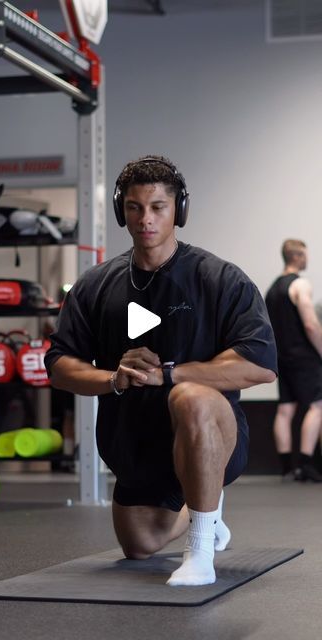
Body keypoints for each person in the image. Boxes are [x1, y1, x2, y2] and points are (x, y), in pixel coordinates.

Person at [45, 155, 277, 586]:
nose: (144, 219)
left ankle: (201, 549)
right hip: (136, 442)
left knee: (190, 396)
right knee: (139, 546)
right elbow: (59, 366)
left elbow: (260, 365)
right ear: (121, 211)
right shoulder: (96, 285)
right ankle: (208, 507)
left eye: (157, 207)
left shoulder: (220, 279)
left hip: (210, 432)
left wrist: (170, 374)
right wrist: (112, 377)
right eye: (134, 207)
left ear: (179, 211)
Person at [265, 239, 322, 482]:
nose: (307, 259)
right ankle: (306, 465)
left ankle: (287, 467)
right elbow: (310, 324)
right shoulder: (300, 284)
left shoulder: (272, 289)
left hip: (281, 357)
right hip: (304, 356)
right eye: (306, 255)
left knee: (285, 409)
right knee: (318, 405)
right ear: (298, 257)